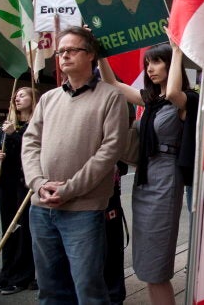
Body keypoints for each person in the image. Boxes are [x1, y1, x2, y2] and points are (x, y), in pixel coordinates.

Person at [22, 26, 128, 304]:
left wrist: (69, 189)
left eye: (72, 50)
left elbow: (110, 150)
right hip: (41, 208)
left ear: (90, 55)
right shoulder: (48, 98)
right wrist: (38, 183)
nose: (64, 55)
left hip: (84, 209)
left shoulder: (111, 97)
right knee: (50, 289)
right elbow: (30, 143)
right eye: (61, 51)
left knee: (89, 289)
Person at [99, 33, 198, 305]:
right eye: (147, 64)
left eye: (156, 62)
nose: (149, 69)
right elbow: (112, 83)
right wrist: (100, 54)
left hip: (166, 179)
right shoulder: (151, 101)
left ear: (169, 64)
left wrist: (178, 50)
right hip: (145, 179)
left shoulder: (185, 100)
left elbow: (175, 92)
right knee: (147, 267)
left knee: (157, 268)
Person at [0, 87, 39, 296]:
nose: (17, 98)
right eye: (16, 95)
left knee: (23, 230)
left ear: (33, 98)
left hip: (25, 185)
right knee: (8, 230)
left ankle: (23, 276)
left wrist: (14, 135)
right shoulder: (8, 126)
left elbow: (35, 150)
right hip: (7, 184)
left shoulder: (36, 125)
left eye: (23, 94)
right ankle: (6, 274)